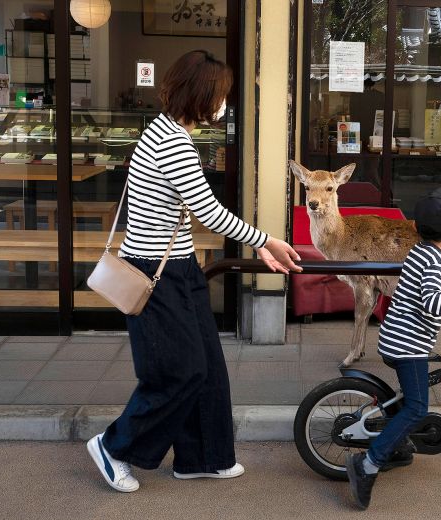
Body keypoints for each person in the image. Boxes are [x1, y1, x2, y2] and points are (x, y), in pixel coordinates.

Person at [86, 50, 302, 493]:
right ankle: (113, 447)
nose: (223, 105)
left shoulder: (165, 131)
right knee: (178, 371)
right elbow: (208, 211)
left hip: (178, 267)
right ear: (203, 95)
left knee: (208, 368)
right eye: (220, 95)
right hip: (153, 273)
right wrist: (266, 242)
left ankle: (203, 457)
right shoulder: (172, 141)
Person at [344, 188, 441, 510]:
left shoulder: (422, 253)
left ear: (414, 227)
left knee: (410, 400)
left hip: (400, 340)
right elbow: (432, 302)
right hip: (408, 346)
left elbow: (438, 284)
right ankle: (368, 464)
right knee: (416, 407)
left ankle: (397, 445)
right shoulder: (431, 258)